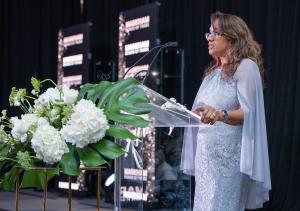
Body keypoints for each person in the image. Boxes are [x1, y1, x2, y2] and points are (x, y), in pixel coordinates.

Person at [180, 12, 271, 210]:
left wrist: (221, 114)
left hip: (228, 159)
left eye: (215, 34)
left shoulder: (246, 67)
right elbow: (201, 110)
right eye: (208, 34)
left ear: (231, 38)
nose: (209, 38)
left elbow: (250, 114)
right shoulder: (211, 73)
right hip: (206, 157)